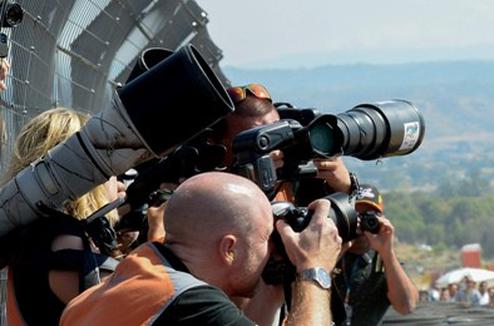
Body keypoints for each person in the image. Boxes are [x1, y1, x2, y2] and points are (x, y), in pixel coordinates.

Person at [60, 171, 343, 325]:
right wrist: (313, 268)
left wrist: (273, 288)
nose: (271, 251)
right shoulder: (187, 302)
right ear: (229, 249)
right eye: (266, 239)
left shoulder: (134, 275)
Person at [1, 108, 121, 325]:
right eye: (108, 165)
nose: (115, 177)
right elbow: (130, 308)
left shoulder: (32, 233)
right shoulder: (64, 240)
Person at [213, 83, 354, 199]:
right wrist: (247, 189)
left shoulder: (300, 176)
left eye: (278, 132)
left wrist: (344, 188)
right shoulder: (206, 192)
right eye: (261, 141)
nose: (275, 147)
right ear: (219, 144)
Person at [330, 185, 418, 325]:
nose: (360, 223)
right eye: (355, 215)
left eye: (368, 216)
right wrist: (341, 247)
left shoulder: (384, 262)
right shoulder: (328, 250)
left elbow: (406, 306)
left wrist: (387, 252)